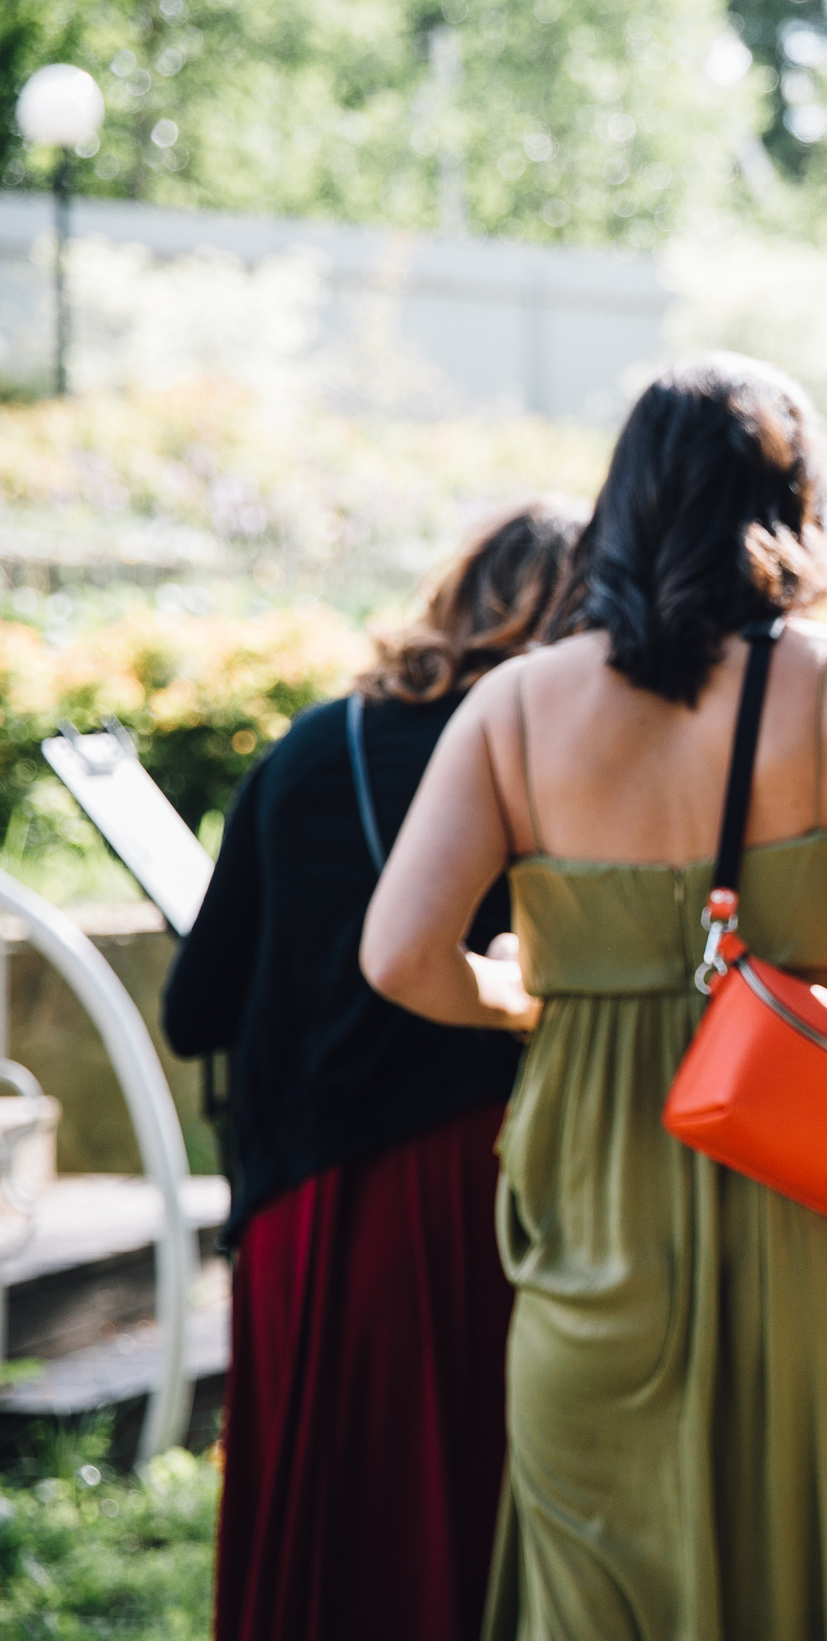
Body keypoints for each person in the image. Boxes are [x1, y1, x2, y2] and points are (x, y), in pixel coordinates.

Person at [360, 354, 827, 1639]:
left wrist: (535, 1000)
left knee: (601, 1572)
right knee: (820, 1567)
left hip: (595, 1211)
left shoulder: (513, 705)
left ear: (624, 502)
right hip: (820, 1192)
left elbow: (399, 956)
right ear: (795, 501)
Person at [163, 502, 580, 1641]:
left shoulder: (311, 747)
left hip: (302, 1199)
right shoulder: (555, 754)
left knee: (324, 1528)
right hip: (477, 1186)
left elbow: (194, 1006)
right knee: (453, 1523)